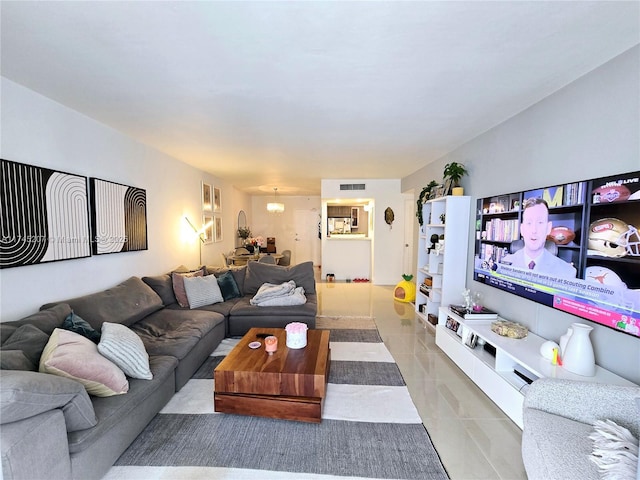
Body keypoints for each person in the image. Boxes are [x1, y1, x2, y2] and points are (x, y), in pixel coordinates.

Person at [501, 197, 577, 278]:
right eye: (529, 223)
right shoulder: (505, 263)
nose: (534, 230)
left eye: (540, 222)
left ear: (548, 228)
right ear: (522, 229)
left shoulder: (567, 272)